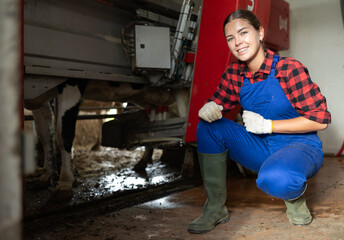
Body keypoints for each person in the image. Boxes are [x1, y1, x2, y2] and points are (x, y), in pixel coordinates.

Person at [187, 9, 331, 234]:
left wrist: (270, 126)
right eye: (230, 38)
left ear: (260, 33)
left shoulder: (288, 69)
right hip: (261, 147)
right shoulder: (234, 73)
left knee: (273, 180)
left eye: (243, 33)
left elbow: (320, 119)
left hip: (300, 147)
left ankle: (294, 198)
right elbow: (218, 103)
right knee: (208, 127)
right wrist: (210, 107)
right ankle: (215, 208)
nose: (237, 42)